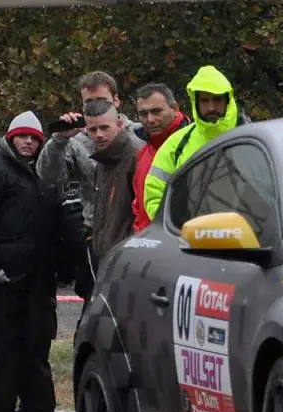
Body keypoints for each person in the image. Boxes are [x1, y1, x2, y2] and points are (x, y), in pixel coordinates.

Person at [0, 112, 84, 412]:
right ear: (11, 138)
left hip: (38, 275)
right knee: (2, 344)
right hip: (5, 274)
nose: (28, 142)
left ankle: (38, 411)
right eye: (22, 136)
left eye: (33, 138)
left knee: (37, 341)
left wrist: (64, 266)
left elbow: (54, 225)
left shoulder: (41, 175)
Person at [36, 71, 141, 235]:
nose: (96, 107)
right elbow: (49, 179)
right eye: (89, 102)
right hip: (95, 231)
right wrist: (59, 140)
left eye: (101, 100)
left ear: (116, 100)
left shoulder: (139, 134)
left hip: (134, 229)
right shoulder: (75, 141)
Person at [143, 65, 249, 222]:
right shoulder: (177, 144)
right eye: (204, 101)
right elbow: (154, 196)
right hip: (189, 235)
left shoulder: (249, 138)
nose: (211, 107)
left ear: (228, 100)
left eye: (217, 99)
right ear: (195, 102)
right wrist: (178, 229)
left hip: (246, 234)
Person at [85, 98, 143, 269]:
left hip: (128, 260)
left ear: (119, 124)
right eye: (93, 129)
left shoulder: (135, 157)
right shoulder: (103, 160)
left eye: (104, 127)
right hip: (107, 258)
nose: (98, 135)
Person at [132, 83, 189, 232]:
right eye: (143, 114)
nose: (150, 119)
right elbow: (139, 207)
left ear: (175, 109)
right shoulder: (144, 153)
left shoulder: (193, 145)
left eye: (156, 111)